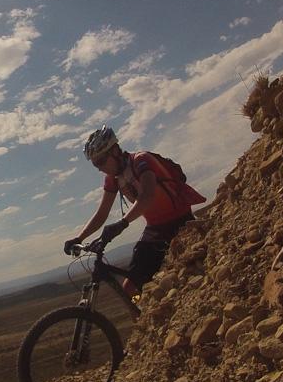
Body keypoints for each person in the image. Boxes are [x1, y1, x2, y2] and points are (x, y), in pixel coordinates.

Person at [64, 125, 206, 296]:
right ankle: (145, 321)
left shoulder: (141, 161)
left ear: (115, 151)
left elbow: (147, 195)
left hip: (180, 222)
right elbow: (102, 214)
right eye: (95, 165)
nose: (100, 168)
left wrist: (123, 223)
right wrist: (79, 238)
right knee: (130, 290)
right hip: (155, 230)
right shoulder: (113, 179)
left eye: (101, 161)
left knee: (180, 278)